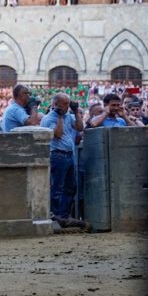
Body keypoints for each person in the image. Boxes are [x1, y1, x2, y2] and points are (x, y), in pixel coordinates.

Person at [39, 93, 85, 227]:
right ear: (56, 104)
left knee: (71, 187)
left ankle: (64, 215)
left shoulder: (68, 116)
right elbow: (57, 134)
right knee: (57, 187)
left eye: (68, 103)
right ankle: (55, 215)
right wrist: (59, 116)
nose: (67, 106)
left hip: (69, 155)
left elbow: (80, 127)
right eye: (64, 104)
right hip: (57, 155)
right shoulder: (49, 118)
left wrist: (76, 112)